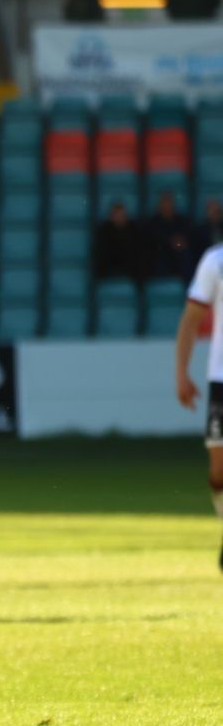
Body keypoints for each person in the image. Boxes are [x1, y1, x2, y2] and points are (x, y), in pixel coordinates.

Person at [173, 242, 223, 569]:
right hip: (222, 378)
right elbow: (191, 319)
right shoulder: (216, 260)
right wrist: (182, 373)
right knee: (219, 470)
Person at [93, 202, 150, 282]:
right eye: (116, 215)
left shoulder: (133, 230)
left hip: (129, 270)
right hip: (110, 269)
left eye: (121, 215)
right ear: (111, 216)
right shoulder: (104, 231)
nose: (119, 217)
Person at [150, 191, 199, 280]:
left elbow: (187, 237)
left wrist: (180, 243)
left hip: (179, 253)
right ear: (160, 206)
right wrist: (170, 242)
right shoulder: (154, 222)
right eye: (164, 205)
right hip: (162, 253)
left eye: (169, 204)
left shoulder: (181, 220)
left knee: (187, 254)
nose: (167, 207)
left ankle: (189, 286)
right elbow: (153, 238)